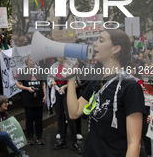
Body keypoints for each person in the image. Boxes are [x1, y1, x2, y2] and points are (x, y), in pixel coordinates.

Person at [67, 29, 146, 157]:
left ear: (115, 49)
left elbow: (134, 144)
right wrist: (70, 79)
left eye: (101, 40)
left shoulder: (130, 87)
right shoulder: (96, 81)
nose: (94, 44)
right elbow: (74, 112)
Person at [48, 57, 82, 154]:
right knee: (59, 116)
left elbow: (75, 80)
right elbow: (49, 78)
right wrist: (52, 82)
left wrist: (65, 86)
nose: (60, 57)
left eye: (61, 55)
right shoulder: (54, 66)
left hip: (67, 91)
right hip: (58, 91)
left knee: (70, 116)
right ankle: (62, 139)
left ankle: (75, 142)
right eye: (58, 56)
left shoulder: (70, 65)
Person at [16, 55, 46, 145]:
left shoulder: (39, 70)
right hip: (28, 99)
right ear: (27, 61)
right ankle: (30, 137)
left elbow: (43, 84)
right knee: (29, 119)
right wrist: (27, 88)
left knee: (39, 119)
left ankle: (39, 137)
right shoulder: (24, 71)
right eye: (30, 60)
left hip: (39, 98)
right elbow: (18, 84)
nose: (32, 61)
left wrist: (45, 96)